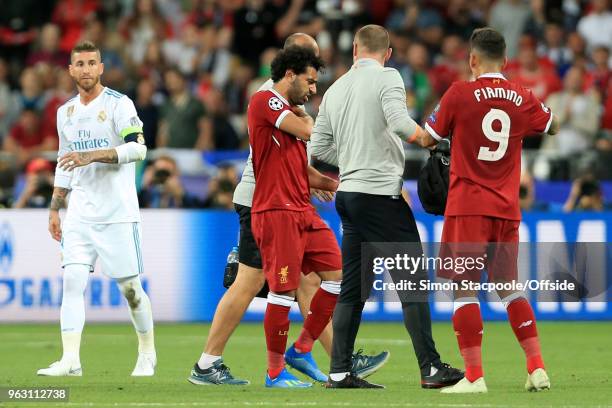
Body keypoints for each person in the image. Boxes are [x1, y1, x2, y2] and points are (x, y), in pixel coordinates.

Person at [188, 33, 388, 387]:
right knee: (252, 283)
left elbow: (295, 156)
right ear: (291, 64)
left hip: (290, 199)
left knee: (312, 281)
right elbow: (302, 137)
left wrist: (324, 183)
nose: (315, 79)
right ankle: (210, 363)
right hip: (263, 201)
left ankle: (332, 358)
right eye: (310, 65)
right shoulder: (271, 98)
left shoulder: (293, 100)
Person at [310, 24, 462, 389]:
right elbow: (398, 122)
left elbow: (318, 147)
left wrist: (352, 160)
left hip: (349, 196)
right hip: (379, 196)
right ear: (388, 53)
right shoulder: (388, 77)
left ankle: (340, 370)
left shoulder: (336, 89)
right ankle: (430, 368)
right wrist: (425, 139)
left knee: (353, 289)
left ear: (354, 51)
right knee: (412, 283)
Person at [417, 27, 559, 393]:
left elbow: (427, 138)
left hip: (468, 206)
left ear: (473, 60)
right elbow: (552, 124)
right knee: (509, 288)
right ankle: (537, 366)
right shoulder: (520, 95)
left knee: (464, 290)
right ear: (506, 61)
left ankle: (475, 376)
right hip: (507, 208)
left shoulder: (460, 93)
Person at [37, 41, 156, 377]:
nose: (86, 69)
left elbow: (139, 148)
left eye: (92, 63)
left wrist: (94, 155)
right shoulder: (66, 113)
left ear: (101, 67)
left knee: (131, 290)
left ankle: (147, 351)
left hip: (118, 213)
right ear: (71, 70)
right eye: (80, 64)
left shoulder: (120, 104)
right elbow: (64, 163)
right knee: (72, 280)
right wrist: (54, 207)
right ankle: (70, 359)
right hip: (80, 213)